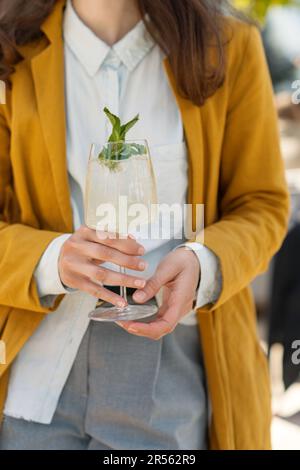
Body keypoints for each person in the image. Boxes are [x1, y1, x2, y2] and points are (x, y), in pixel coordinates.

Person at [0, 0, 289, 450]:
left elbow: (263, 203)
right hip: (33, 373)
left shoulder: (228, 45)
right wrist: (51, 258)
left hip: (171, 368)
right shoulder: (10, 50)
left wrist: (203, 263)